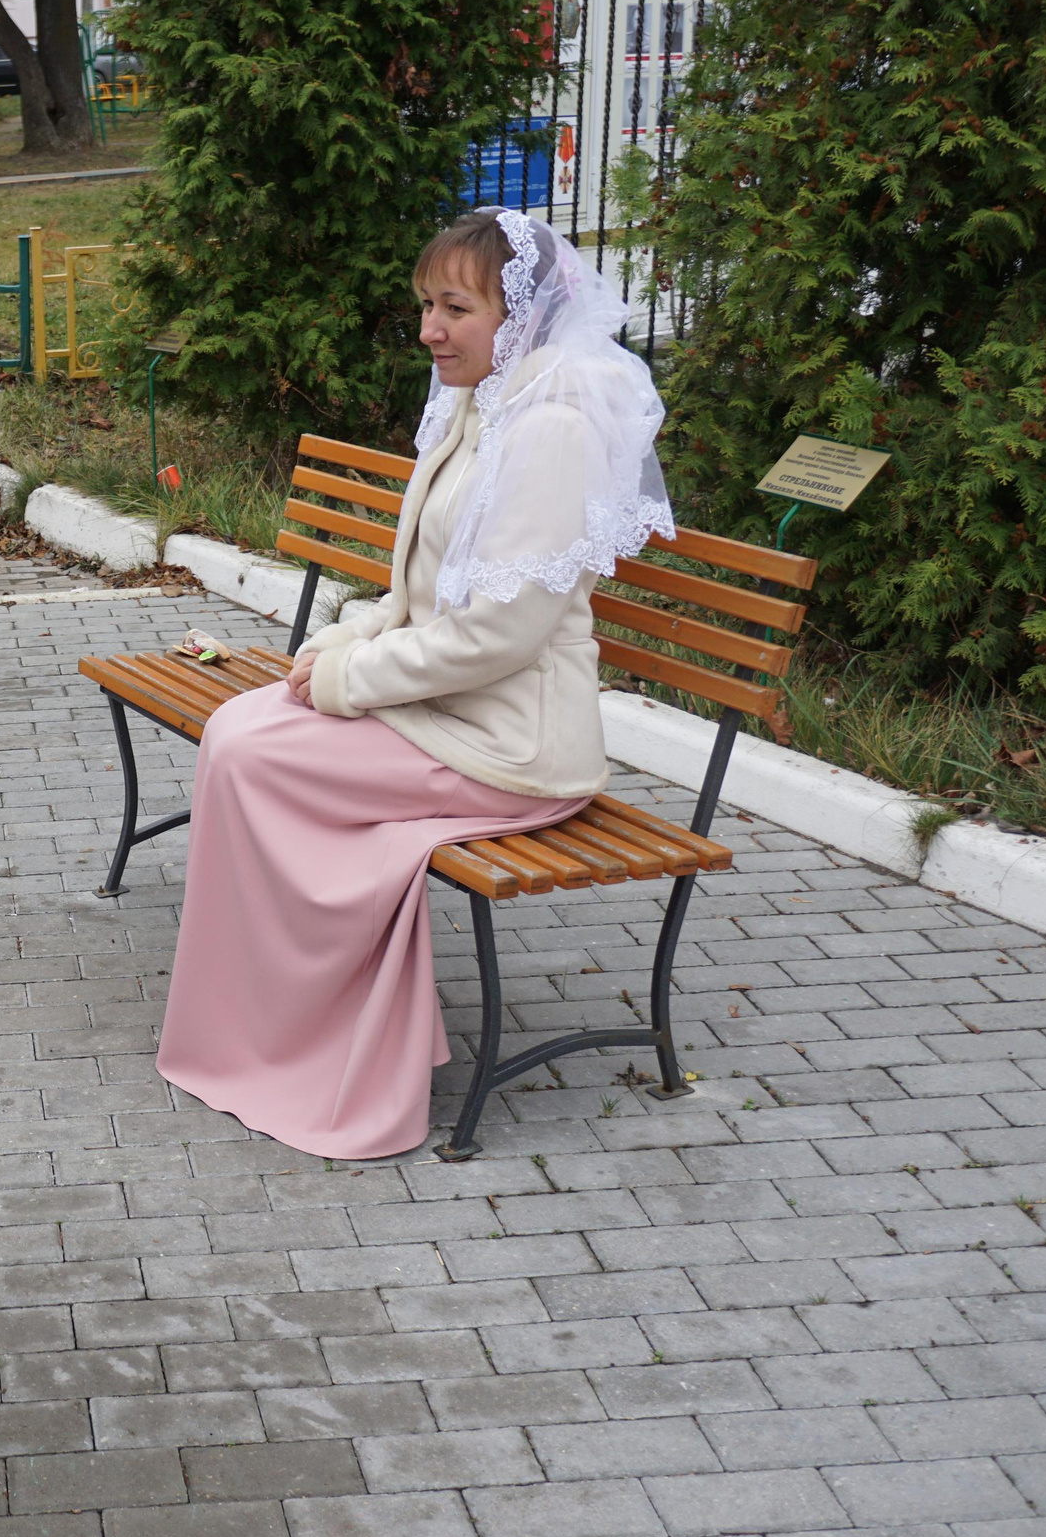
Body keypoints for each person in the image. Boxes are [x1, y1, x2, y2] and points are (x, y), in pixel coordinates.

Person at [155, 208, 676, 1161]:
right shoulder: (484, 405)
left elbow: (500, 637)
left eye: (455, 308)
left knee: (248, 748)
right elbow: (417, 591)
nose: (430, 330)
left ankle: (317, 1044)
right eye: (426, 306)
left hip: (510, 745)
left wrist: (351, 679)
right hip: (447, 714)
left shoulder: (550, 429)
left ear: (517, 314)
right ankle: (280, 1029)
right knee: (242, 727)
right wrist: (344, 642)